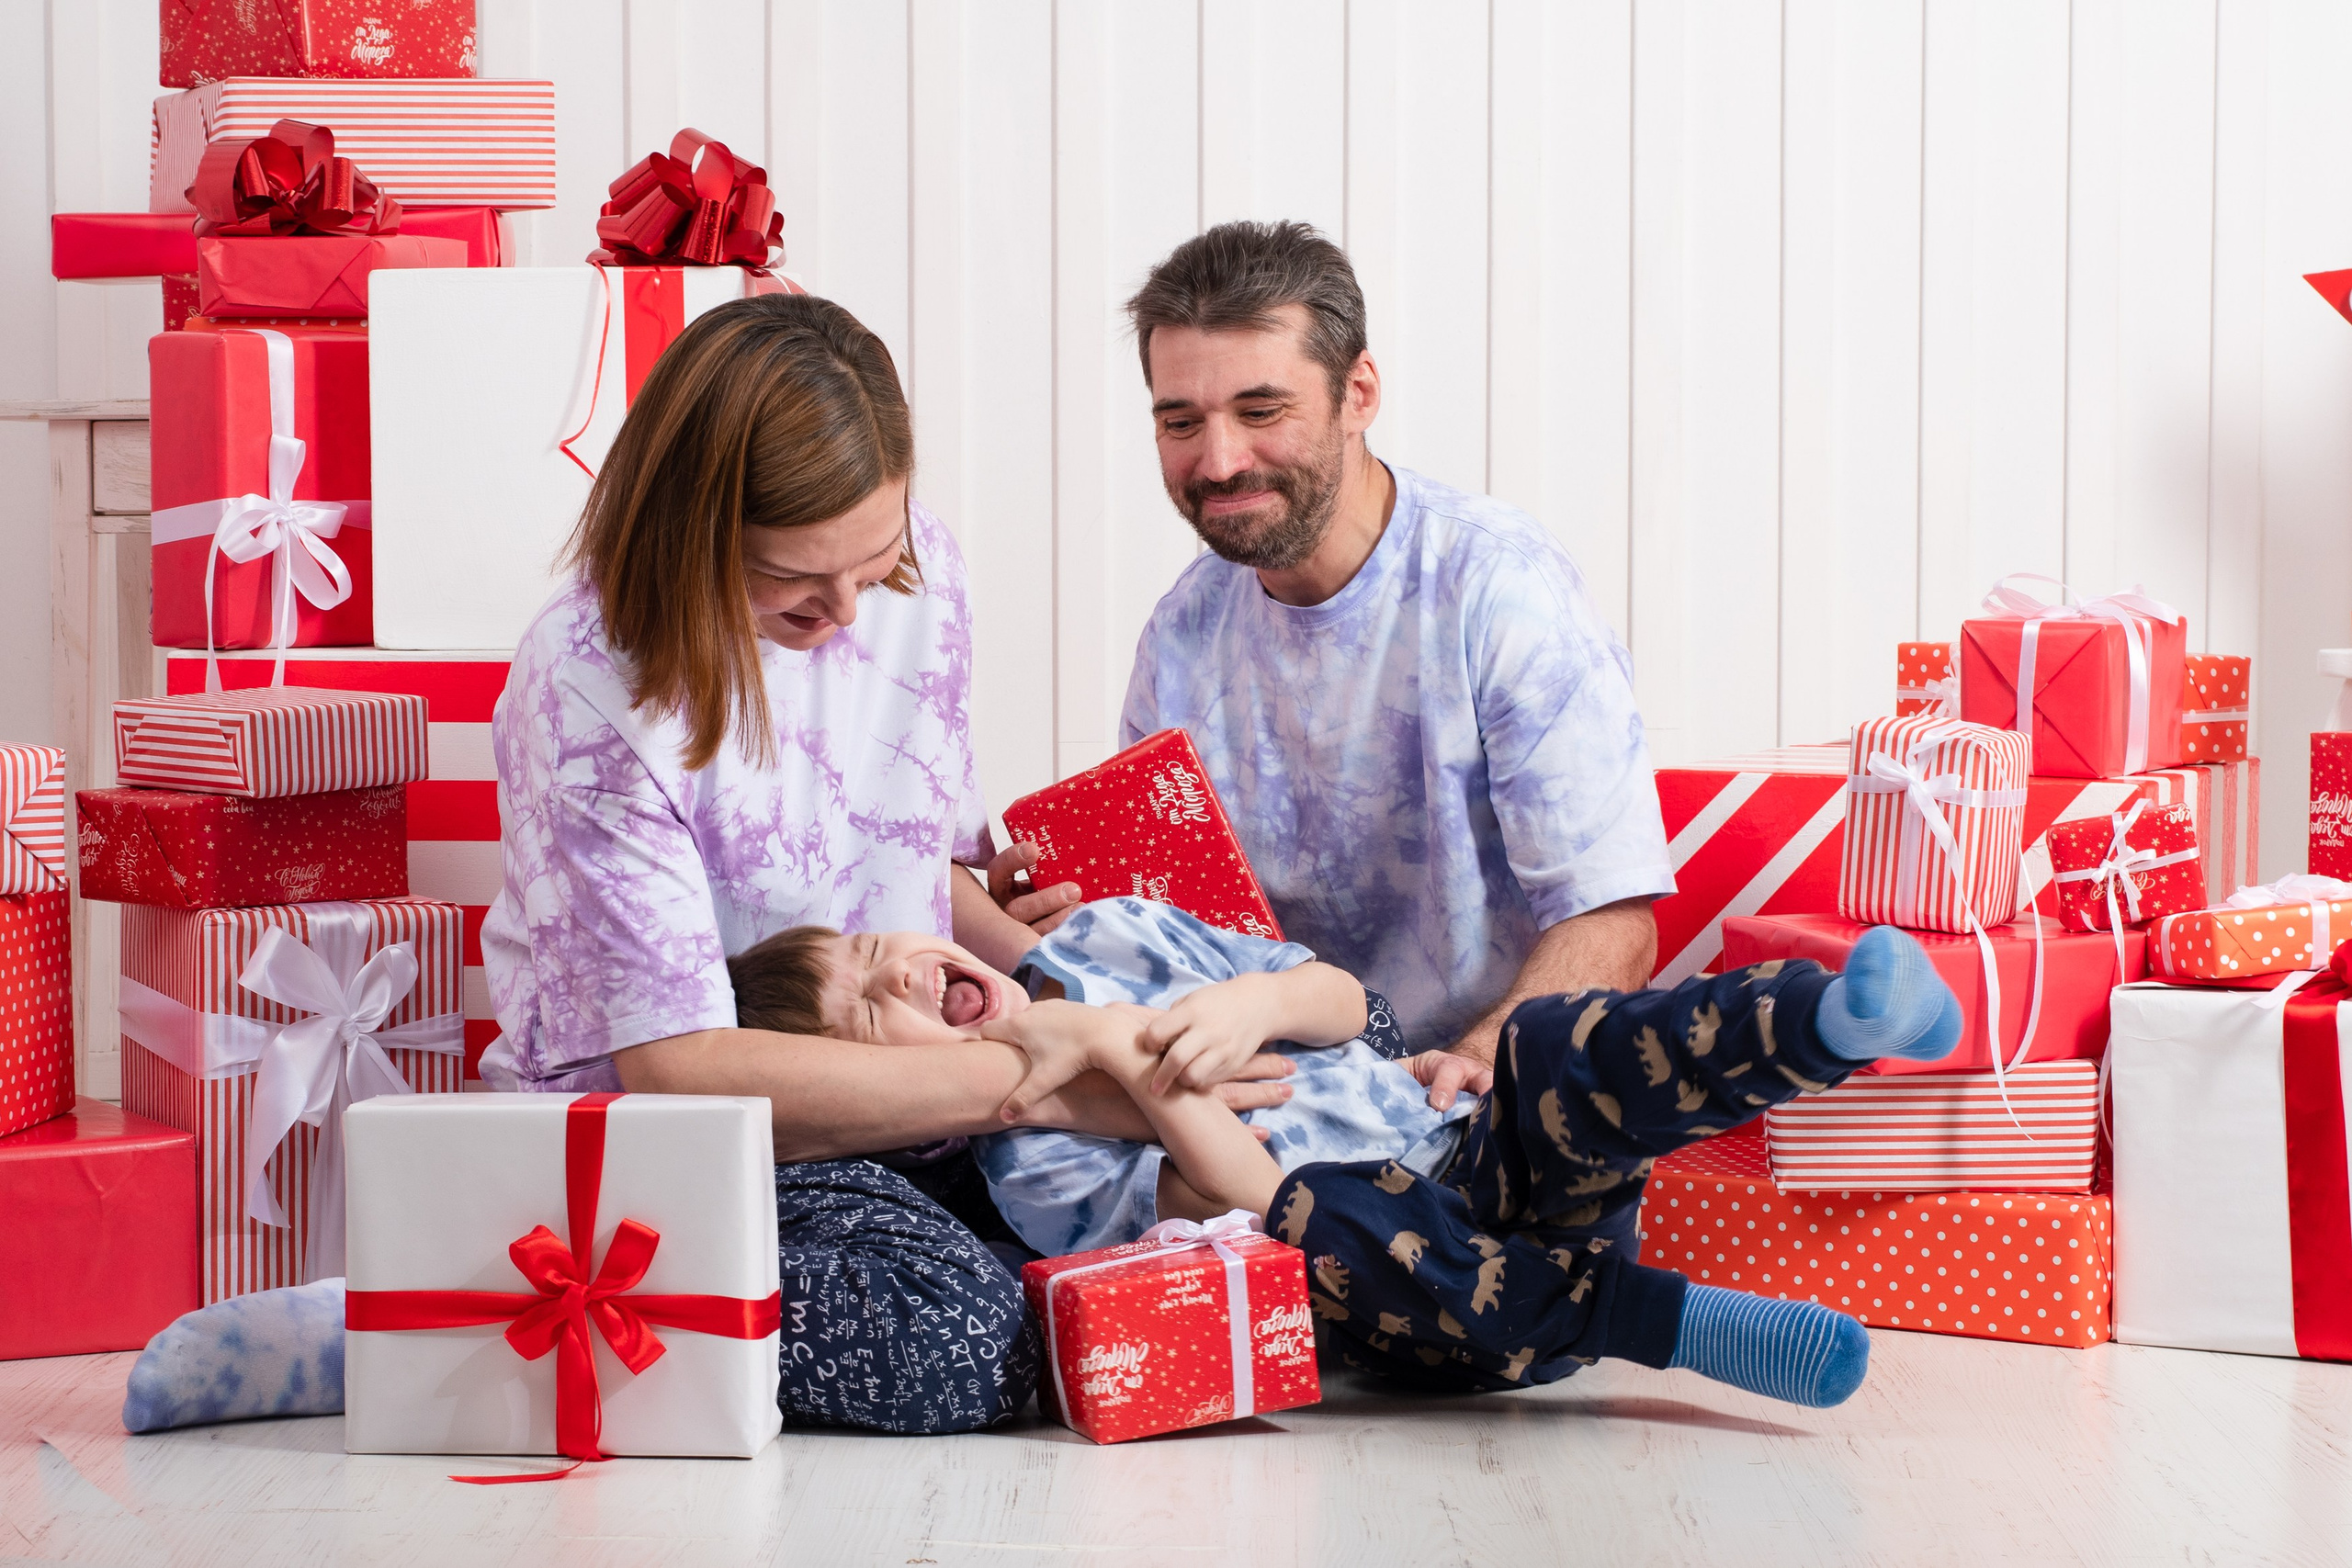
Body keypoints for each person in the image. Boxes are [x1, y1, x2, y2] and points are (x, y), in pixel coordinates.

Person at [473, 292, 1298, 1436]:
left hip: (949, 1096)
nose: (851, 608)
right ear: (690, 537)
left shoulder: (922, 578)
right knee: (952, 1338)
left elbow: (920, 875)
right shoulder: (591, 690)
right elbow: (680, 1072)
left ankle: (1122, 1268)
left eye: (879, 561)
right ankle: (480, 1314)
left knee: (1336, 1045)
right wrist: (1062, 1080)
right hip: (740, 1141)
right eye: (796, 581)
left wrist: (1110, 995)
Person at [721, 898, 1963, 1409]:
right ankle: (1672, 1322)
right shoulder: (1024, 1162)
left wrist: (1255, 1002)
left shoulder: (1110, 927)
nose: (902, 969)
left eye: (878, 944)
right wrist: (1110, 1056)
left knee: (1558, 1045)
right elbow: (1225, 1190)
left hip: (1476, 1140)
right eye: (865, 1007)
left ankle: (1824, 1021)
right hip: (1429, 1284)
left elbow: (1340, 996)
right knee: (1321, 1212)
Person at [1114, 220, 1678, 1085]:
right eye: (1181, 420)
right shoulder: (1182, 633)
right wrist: (1069, 916)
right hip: (1272, 1097)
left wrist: (1476, 1063)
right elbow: (1169, 933)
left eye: (1262, 410)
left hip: (1491, 1093)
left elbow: (1614, 918)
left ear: (1359, 392)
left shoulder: (1498, 588)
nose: (1219, 459)